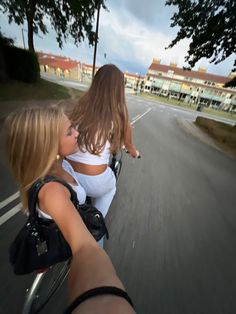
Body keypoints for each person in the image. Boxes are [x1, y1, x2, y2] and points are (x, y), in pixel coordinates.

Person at [4, 105, 135, 313]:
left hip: (57, 217)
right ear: (47, 146)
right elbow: (84, 247)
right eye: (69, 132)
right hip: (65, 231)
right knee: (94, 242)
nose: (77, 133)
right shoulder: (53, 192)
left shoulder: (59, 164)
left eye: (73, 127)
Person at [67, 64, 139, 219]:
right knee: (111, 188)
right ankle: (96, 225)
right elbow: (129, 146)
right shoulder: (120, 119)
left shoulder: (78, 108)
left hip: (67, 174)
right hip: (95, 182)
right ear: (119, 91)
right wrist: (134, 152)